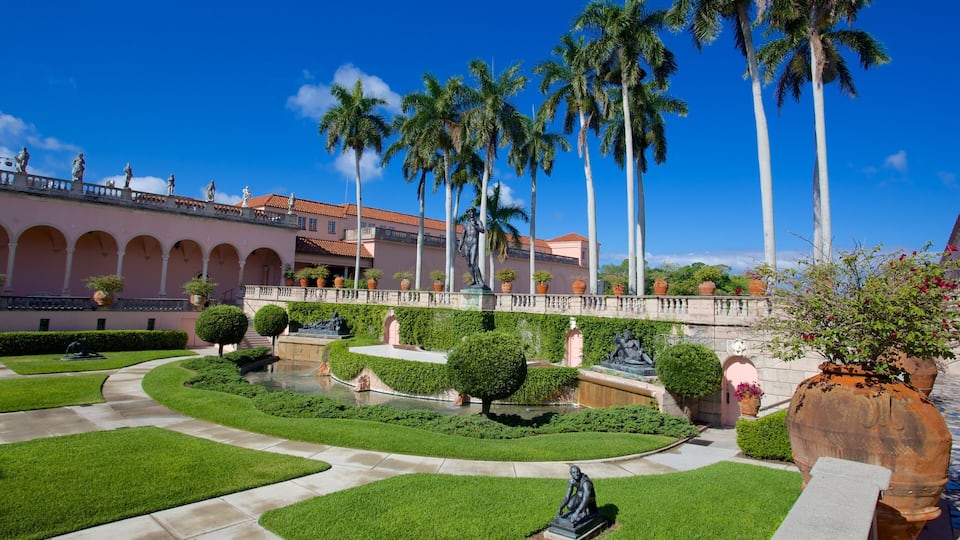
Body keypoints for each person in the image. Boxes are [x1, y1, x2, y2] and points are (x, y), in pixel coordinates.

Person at [458, 207, 484, 286]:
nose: (471, 213)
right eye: (469, 212)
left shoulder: (478, 222)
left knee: (473, 262)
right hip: (466, 244)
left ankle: (480, 280)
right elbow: (463, 236)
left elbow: (482, 230)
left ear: (474, 213)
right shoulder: (465, 225)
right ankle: (473, 280)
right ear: (468, 214)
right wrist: (460, 246)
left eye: (472, 212)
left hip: (474, 243)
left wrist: (475, 226)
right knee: (469, 264)